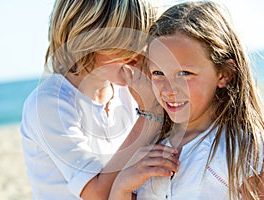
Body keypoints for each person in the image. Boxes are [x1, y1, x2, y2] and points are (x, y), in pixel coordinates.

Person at [109, 1, 264, 199]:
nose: (168, 90)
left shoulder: (247, 151)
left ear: (224, 74)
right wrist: (122, 187)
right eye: (158, 73)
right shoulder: (149, 146)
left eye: (184, 73)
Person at [19, 0, 173, 199]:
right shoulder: (49, 104)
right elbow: (99, 193)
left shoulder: (125, 90)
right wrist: (149, 115)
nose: (140, 52)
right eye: (128, 41)